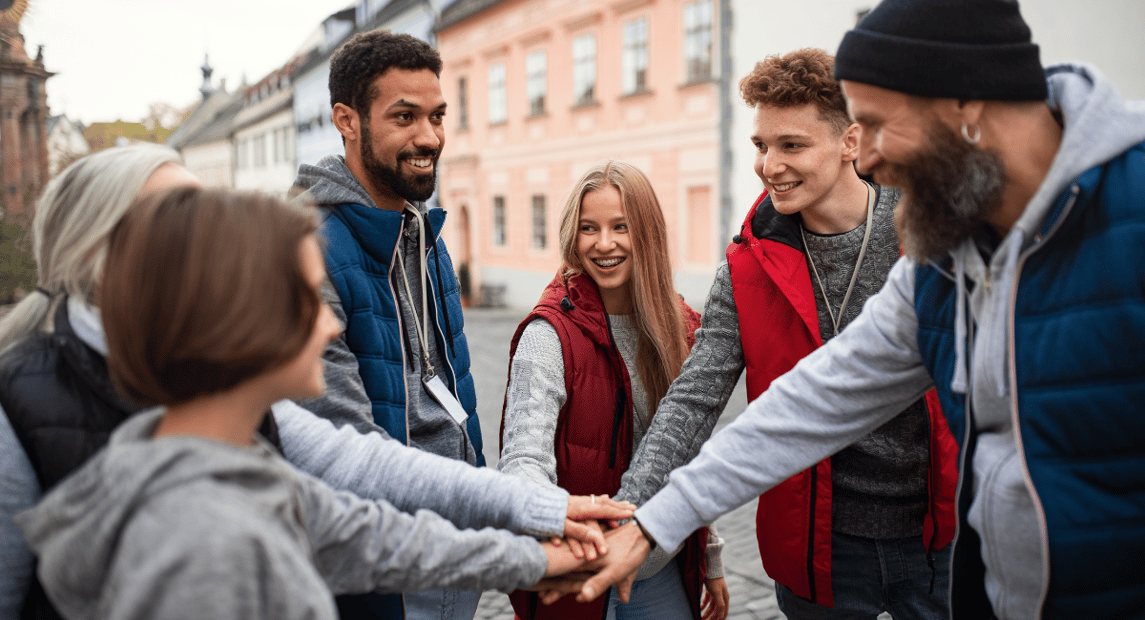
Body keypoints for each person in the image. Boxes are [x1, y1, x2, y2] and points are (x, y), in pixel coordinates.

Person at [579, 0, 1145, 618]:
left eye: (875, 124)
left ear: (965, 103)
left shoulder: (1126, 208)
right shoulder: (942, 255)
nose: (868, 157)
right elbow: (813, 401)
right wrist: (652, 520)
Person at [0, 145, 632, 620]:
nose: (333, 325)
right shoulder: (195, 536)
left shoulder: (222, 451)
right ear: (232, 309)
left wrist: (541, 551)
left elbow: (365, 528)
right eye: (307, 297)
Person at [604, 49, 959, 619]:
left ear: (850, 142)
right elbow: (694, 398)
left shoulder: (927, 233)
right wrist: (632, 508)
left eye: (791, 145)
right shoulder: (747, 265)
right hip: (820, 547)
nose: (770, 165)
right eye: (761, 146)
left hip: (940, 533)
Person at [290, 29, 481, 620]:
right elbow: (339, 435)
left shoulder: (421, 228)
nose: (429, 138)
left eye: (437, 115)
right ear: (346, 121)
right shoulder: (306, 248)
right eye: (404, 117)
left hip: (454, 522)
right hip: (390, 547)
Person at [499, 161, 729, 620]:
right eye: (589, 228)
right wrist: (549, 530)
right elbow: (522, 459)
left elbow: (684, 455)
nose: (604, 244)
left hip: (662, 566)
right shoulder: (549, 336)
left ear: (647, 233)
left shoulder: (680, 327)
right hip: (580, 575)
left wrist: (710, 552)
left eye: (620, 227)